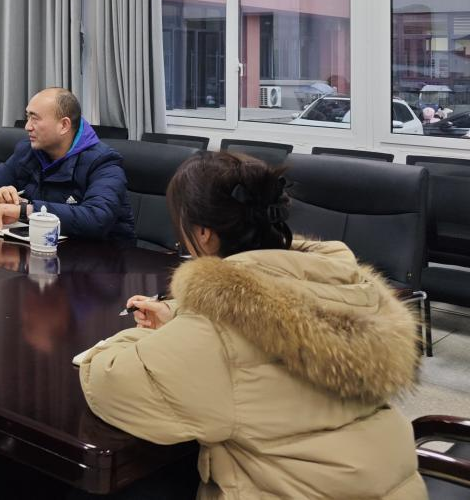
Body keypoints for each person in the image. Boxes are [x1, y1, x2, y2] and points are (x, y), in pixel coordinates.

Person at [77, 151, 423, 500]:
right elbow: (276, 309)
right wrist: (182, 315)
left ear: (204, 234)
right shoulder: (352, 287)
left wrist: (133, 337)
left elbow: (110, 382)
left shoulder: (218, 333)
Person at [0, 88, 135, 241]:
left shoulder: (104, 162)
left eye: (35, 118)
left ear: (64, 125)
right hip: (42, 250)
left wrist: (25, 211)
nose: (27, 126)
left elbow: (97, 218)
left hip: (103, 259)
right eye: (27, 117)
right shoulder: (27, 152)